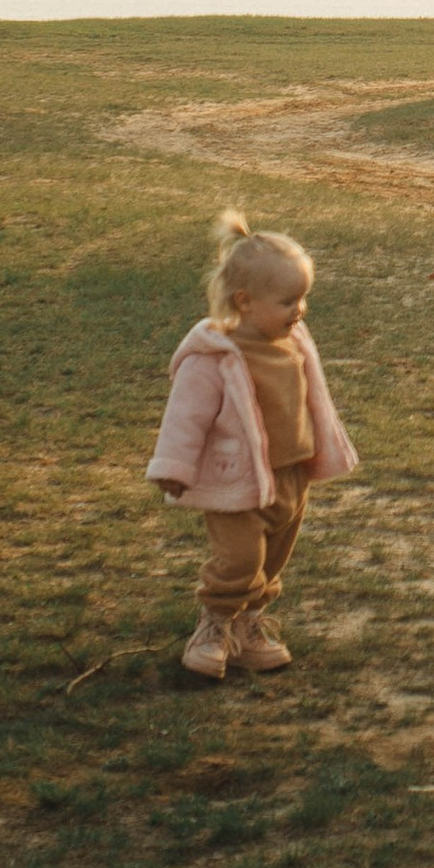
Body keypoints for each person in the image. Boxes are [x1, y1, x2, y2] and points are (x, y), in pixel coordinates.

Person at [146, 213, 359, 680]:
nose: (299, 309)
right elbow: (185, 417)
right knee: (240, 558)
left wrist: (317, 454)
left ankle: (248, 624)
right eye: (288, 300)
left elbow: (312, 401)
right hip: (236, 480)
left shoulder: (294, 342)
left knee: (272, 557)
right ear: (244, 301)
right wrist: (174, 466)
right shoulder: (214, 358)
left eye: (302, 298)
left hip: (290, 476)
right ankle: (214, 623)